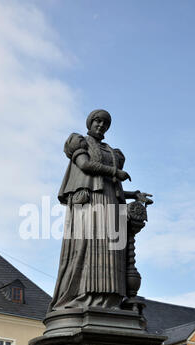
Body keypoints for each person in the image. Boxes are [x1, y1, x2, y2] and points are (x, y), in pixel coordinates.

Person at [48, 109, 152, 312]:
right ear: (90, 123)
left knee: (112, 251)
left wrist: (134, 194)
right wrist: (115, 171)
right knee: (89, 249)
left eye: (105, 123)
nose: (101, 125)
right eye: (97, 121)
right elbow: (85, 165)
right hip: (91, 203)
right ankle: (84, 296)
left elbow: (112, 184)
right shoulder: (79, 142)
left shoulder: (112, 151)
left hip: (112, 203)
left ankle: (108, 300)